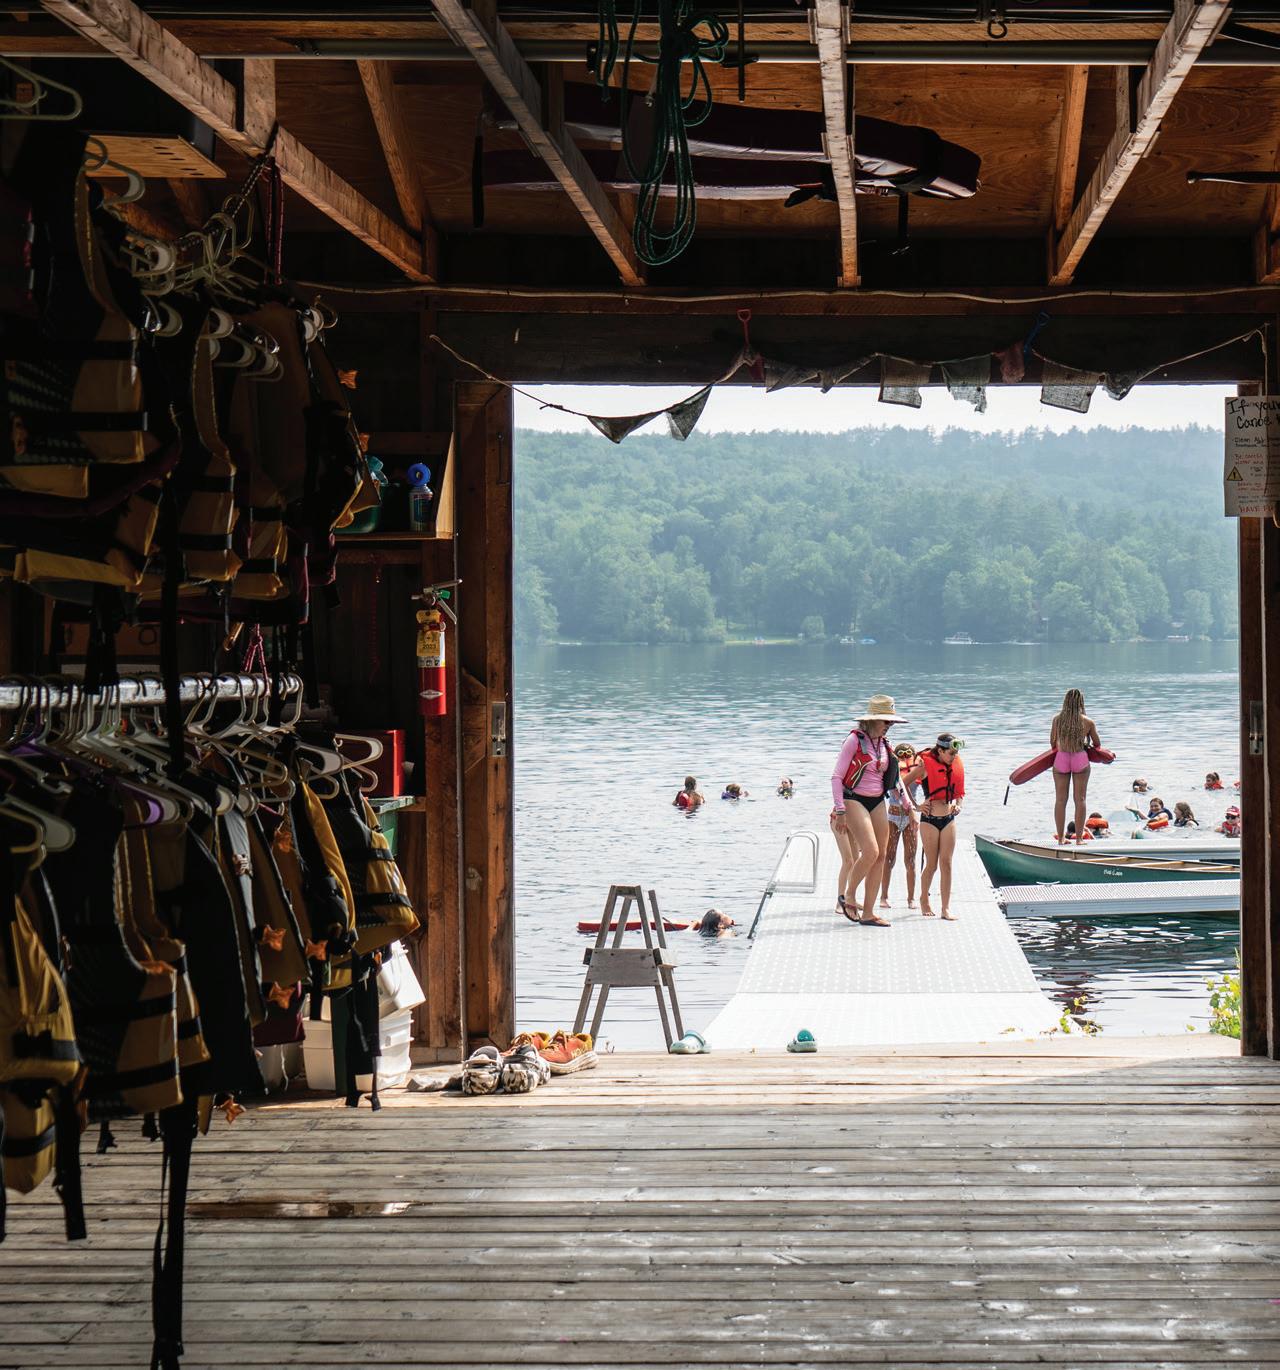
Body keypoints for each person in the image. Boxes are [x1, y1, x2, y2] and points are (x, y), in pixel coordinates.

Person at [829, 693, 908, 927]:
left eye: (891, 722)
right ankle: (849, 895)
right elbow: (836, 777)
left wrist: (907, 804)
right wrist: (840, 810)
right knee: (871, 851)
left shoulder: (884, 745)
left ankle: (869, 913)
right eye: (886, 721)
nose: (889, 725)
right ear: (872, 720)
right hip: (854, 799)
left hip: (877, 800)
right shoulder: (854, 741)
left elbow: (895, 780)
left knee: (881, 856)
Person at [904, 733, 965, 921]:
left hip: (948, 819)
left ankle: (945, 908)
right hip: (929, 820)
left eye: (955, 753)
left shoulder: (955, 764)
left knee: (946, 863)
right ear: (940, 751)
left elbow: (959, 792)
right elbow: (902, 784)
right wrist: (915, 806)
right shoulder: (925, 766)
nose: (954, 757)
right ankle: (924, 899)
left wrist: (958, 805)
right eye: (951, 753)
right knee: (932, 864)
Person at [1049, 688, 1102, 844]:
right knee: (1080, 800)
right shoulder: (1088, 721)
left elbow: (1052, 743)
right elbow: (1097, 743)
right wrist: (1085, 742)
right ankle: (1079, 839)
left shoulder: (1057, 719)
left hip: (1061, 758)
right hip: (1080, 759)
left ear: (1065, 701)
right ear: (1081, 702)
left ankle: (1061, 839)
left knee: (1060, 800)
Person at [880, 743, 921, 910]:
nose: (905, 756)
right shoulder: (894, 771)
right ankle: (884, 896)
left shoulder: (916, 769)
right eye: (901, 753)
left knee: (910, 860)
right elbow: (896, 785)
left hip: (911, 818)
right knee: (889, 858)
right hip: (893, 815)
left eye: (908, 754)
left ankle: (911, 898)